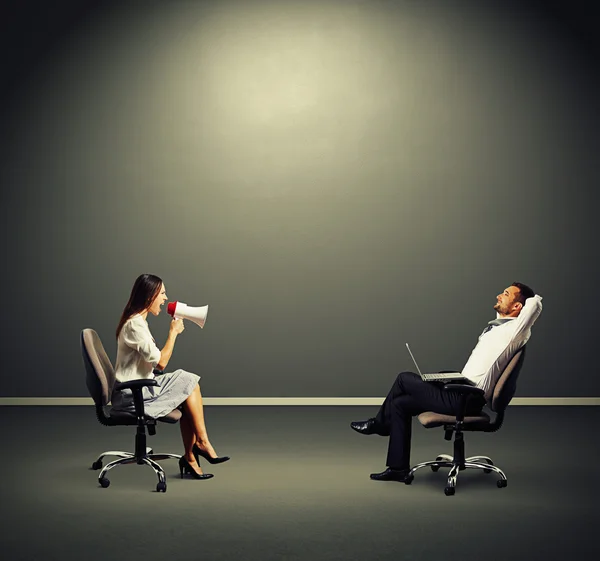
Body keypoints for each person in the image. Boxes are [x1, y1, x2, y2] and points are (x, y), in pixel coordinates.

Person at [350, 282, 543, 482]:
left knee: (404, 378)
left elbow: (535, 304)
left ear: (518, 307)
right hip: (460, 390)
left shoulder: (516, 332)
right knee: (400, 404)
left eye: (505, 294)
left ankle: (381, 425)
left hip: (467, 398)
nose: (498, 296)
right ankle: (398, 469)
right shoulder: (496, 329)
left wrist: (529, 297)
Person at [111, 273, 229, 480]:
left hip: (142, 385)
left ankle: (193, 454)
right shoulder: (134, 325)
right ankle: (198, 447)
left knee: (189, 383)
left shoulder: (138, 322)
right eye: (162, 293)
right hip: (133, 394)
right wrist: (173, 333)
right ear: (150, 296)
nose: (165, 299)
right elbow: (162, 362)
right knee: (189, 383)